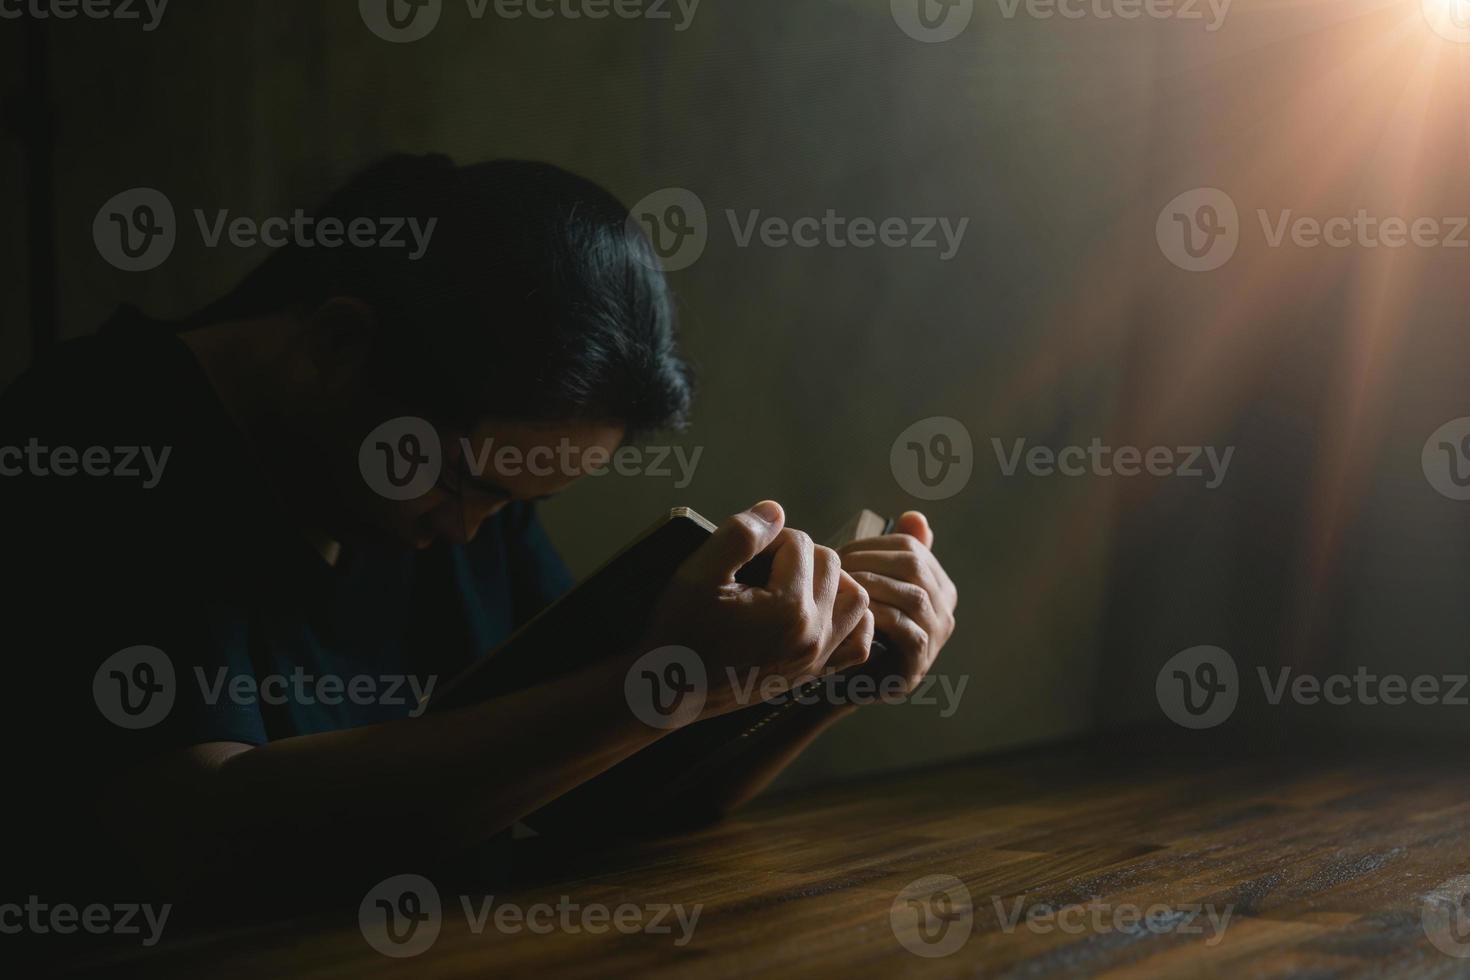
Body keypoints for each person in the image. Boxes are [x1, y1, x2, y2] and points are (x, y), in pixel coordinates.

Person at [0, 155, 958, 902]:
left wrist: (820, 672)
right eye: (466, 486)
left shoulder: (463, 465)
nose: (470, 534)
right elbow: (198, 838)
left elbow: (602, 793)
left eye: (518, 506)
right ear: (339, 345)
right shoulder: (97, 442)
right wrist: (660, 684)